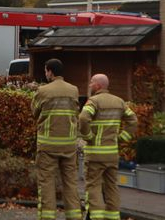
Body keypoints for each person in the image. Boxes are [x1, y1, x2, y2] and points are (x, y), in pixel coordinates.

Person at [78, 74, 138, 220]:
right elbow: (133, 120)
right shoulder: (119, 102)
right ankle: (113, 217)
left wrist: (87, 137)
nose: (90, 85)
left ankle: (96, 217)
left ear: (98, 85)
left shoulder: (93, 102)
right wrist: (121, 138)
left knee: (93, 187)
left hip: (95, 155)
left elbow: (83, 118)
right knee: (112, 187)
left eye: (92, 82)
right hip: (112, 154)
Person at [33, 58, 82, 220]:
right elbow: (76, 112)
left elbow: (34, 111)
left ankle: (47, 217)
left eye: (46, 71)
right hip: (69, 146)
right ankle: (75, 217)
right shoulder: (74, 90)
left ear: (50, 72)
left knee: (47, 183)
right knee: (71, 184)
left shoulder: (43, 91)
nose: (45, 73)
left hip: (48, 145)